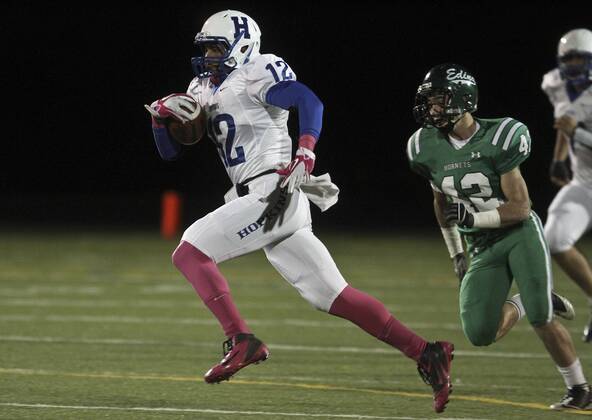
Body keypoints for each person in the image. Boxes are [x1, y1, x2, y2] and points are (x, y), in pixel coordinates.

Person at [145, 10, 454, 413]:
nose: (208, 56)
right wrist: (160, 119)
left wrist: (306, 148)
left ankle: (241, 339)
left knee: (190, 252)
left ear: (242, 47)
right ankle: (427, 352)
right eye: (205, 48)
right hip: (259, 198)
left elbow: (308, 99)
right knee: (333, 295)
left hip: (275, 189)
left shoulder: (257, 72)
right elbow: (170, 152)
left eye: (217, 48)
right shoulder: (202, 87)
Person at [406, 62, 591, 411]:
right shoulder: (424, 146)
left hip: (518, 233)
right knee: (480, 332)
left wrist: (473, 216)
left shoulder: (500, 136)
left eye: (438, 100)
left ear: (462, 99)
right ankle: (527, 300)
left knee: (541, 318)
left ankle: (579, 388)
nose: (431, 108)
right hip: (481, 245)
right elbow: (441, 204)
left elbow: (521, 207)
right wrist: (456, 252)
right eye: (429, 101)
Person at [541, 28, 592, 342]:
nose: (573, 65)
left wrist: (578, 135)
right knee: (555, 238)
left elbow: (573, 127)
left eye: (579, 58)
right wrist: (559, 158)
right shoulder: (556, 83)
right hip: (585, 182)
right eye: (568, 58)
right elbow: (566, 119)